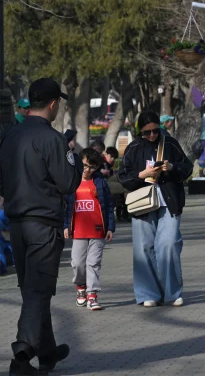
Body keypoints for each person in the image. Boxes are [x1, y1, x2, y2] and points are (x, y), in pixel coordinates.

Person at [0, 79, 78, 375]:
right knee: (39, 290)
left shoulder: (9, 136)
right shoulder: (52, 139)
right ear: (53, 104)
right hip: (43, 224)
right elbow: (68, 182)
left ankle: (46, 350)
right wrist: (77, 163)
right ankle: (23, 353)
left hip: (17, 224)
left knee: (32, 288)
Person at [118, 111, 193, 308]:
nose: (151, 135)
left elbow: (187, 168)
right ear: (140, 132)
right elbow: (123, 177)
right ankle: (147, 293)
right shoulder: (133, 148)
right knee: (143, 248)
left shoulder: (170, 143)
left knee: (168, 244)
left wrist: (171, 167)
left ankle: (173, 292)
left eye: (154, 131)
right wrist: (142, 174)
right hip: (142, 202)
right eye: (146, 132)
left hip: (169, 200)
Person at [64, 148, 115, 312]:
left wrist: (110, 228)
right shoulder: (72, 182)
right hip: (78, 231)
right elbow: (66, 208)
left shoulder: (100, 183)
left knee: (93, 263)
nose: (87, 170)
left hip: (98, 231)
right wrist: (66, 225)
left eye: (92, 167)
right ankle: (80, 287)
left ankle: (92, 295)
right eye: (85, 165)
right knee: (78, 263)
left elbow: (108, 207)